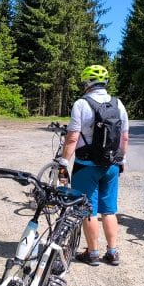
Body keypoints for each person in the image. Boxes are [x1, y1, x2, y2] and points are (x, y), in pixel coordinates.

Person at [60, 64, 129, 267]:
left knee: (88, 209)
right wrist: (122, 160)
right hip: (112, 165)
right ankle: (113, 252)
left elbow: (72, 137)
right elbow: (124, 137)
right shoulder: (118, 104)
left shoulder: (81, 104)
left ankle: (92, 253)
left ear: (87, 83)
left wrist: (64, 162)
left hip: (86, 165)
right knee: (109, 210)